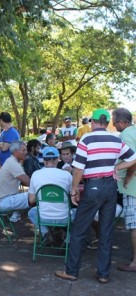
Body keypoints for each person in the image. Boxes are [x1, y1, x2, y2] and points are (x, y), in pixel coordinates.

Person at [55, 108, 136, 284]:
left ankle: (72, 271)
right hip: (110, 188)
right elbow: (133, 157)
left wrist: (74, 189)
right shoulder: (115, 139)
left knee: (79, 230)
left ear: (93, 121)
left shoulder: (87, 138)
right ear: (107, 122)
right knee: (106, 232)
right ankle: (103, 274)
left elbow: (78, 169)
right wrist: (116, 168)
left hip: (93, 187)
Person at [28, 147, 74, 242]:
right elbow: (74, 196)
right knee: (81, 213)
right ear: (58, 159)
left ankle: (45, 233)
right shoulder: (66, 175)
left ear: (44, 161)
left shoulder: (36, 174)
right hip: (64, 217)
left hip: (43, 217)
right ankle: (68, 240)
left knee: (32, 212)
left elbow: (31, 200)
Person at [112, 108, 136, 272]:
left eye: (114, 122)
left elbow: (133, 158)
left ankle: (135, 262)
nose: (113, 125)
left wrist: (127, 175)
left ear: (122, 122)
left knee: (135, 225)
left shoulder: (126, 135)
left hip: (133, 187)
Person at [0, 140, 30, 223]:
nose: (26, 152)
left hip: (6, 198)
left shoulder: (12, 161)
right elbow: (28, 182)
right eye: (23, 150)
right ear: (15, 151)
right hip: (5, 201)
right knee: (37, 195)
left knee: (34, 195)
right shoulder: (13, 163)